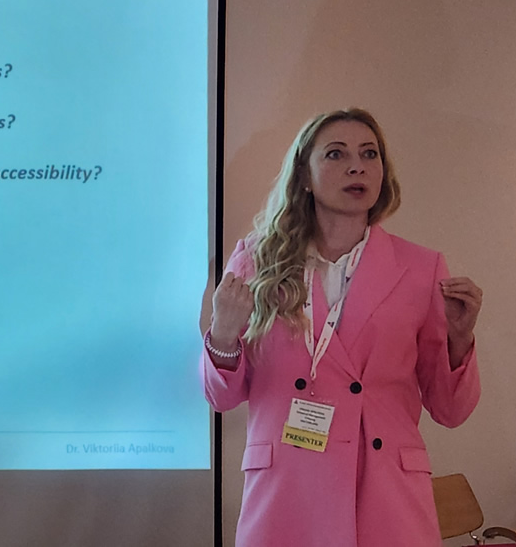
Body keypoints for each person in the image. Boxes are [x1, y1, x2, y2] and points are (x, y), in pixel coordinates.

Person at [201, 108, 482, 547]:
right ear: (304, 175)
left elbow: (450, 411)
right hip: (288, 493)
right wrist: (223, 333)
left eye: (370, 154)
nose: (357, 166)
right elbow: (221, 398)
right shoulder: (257, 261)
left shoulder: (421, 268)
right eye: (336, 154)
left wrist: (460, 341)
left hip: (385, 497)